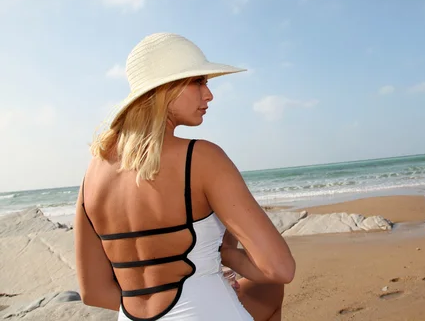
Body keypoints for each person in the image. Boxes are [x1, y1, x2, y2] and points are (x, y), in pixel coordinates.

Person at [74, 32, 296, 321]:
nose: (209, 94)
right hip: (206, 312)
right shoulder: (201, 157)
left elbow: (92, 292)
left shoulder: (93, 172)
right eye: (198, 81)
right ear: (165, 88)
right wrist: (223, 254)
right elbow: (279, 268)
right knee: (271, 289)